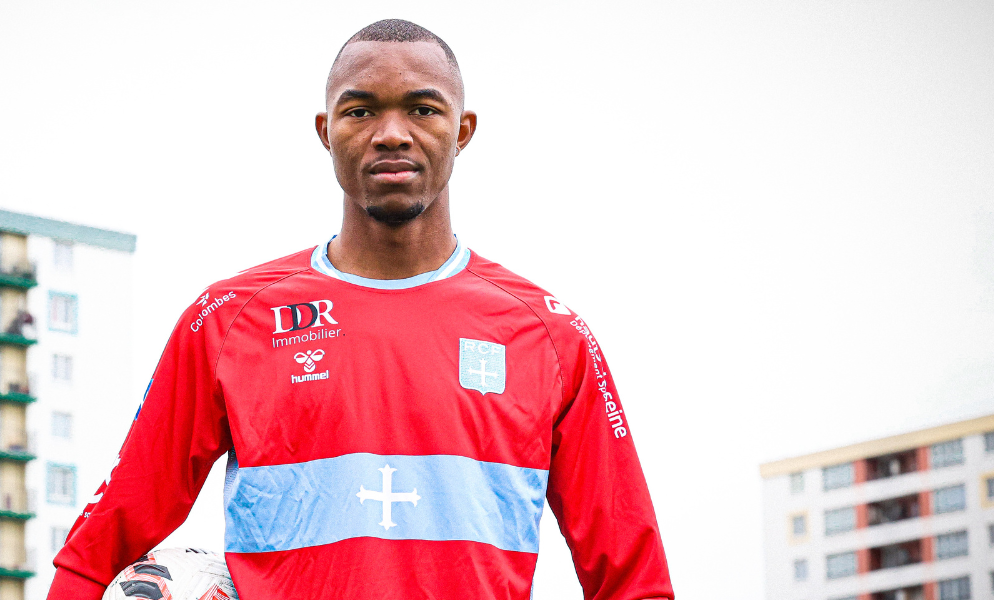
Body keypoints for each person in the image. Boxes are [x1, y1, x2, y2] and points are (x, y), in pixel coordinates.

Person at [49, 19, 673, 600]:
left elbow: (632, 576)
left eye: (424, 109)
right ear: (326, 131)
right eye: (360, 110)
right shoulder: (228, 319)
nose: (392, 133)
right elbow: (107, 533)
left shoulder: (550, 336)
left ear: (463, 130)